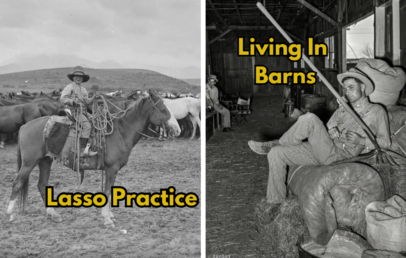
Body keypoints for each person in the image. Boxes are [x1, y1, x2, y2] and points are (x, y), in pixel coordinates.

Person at [248, 68, 391, 204]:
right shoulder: (344, 110)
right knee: (276, 154)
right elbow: (327, 129)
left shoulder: (376, 111)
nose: (347, 92)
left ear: (363, 87)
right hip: (324, 150)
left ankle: (277, 142)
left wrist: (362, 141)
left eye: (351, 87)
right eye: (345, 89)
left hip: (341, 156)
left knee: (309, 118)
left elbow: (386, 142)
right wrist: (331, 131)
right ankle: (275, 202)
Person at [60, 66, 98, 157]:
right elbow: (62, 98)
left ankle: (89, 148)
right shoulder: (69, 87)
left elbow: (87, 102)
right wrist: (72, 101)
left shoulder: (84, 89)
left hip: (83, 112)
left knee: (95, 122)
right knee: (87, 126)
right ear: (73, 77)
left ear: (83, 78)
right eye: (76, 76)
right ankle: (81, 150)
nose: (78, 78)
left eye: (80, 76)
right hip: (75, 111)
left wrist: (94, 98)